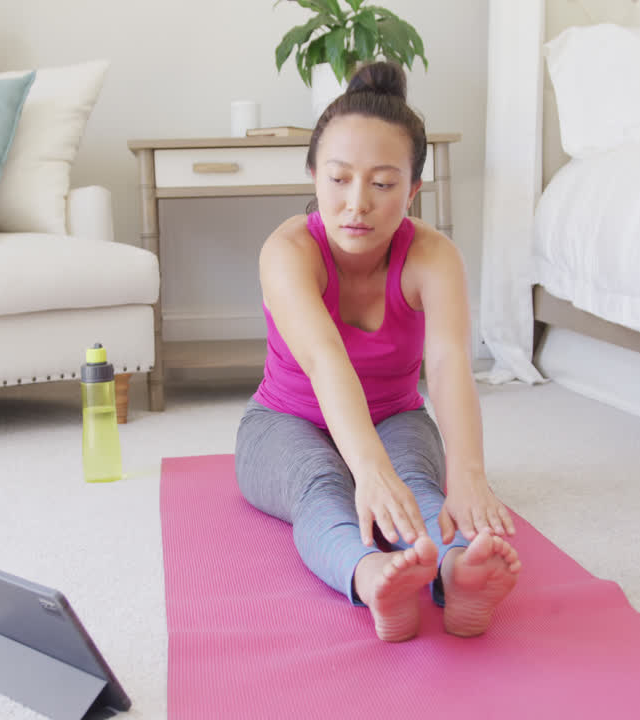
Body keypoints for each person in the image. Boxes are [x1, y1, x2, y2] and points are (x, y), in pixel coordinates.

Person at [234, 62, 522, 643]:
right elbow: (324, 361)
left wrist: (469, 474)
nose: (356, 204)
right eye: (338, 179)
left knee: (417, 483)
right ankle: (373, 580)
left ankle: (456, 571)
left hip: (394, 415)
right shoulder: (288, 251)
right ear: (313, 175)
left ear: (414, 189)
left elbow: (445, 367)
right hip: (285, 421)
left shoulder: (434, 256)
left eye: (383, 184)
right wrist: (367, 471)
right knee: (323, 487)